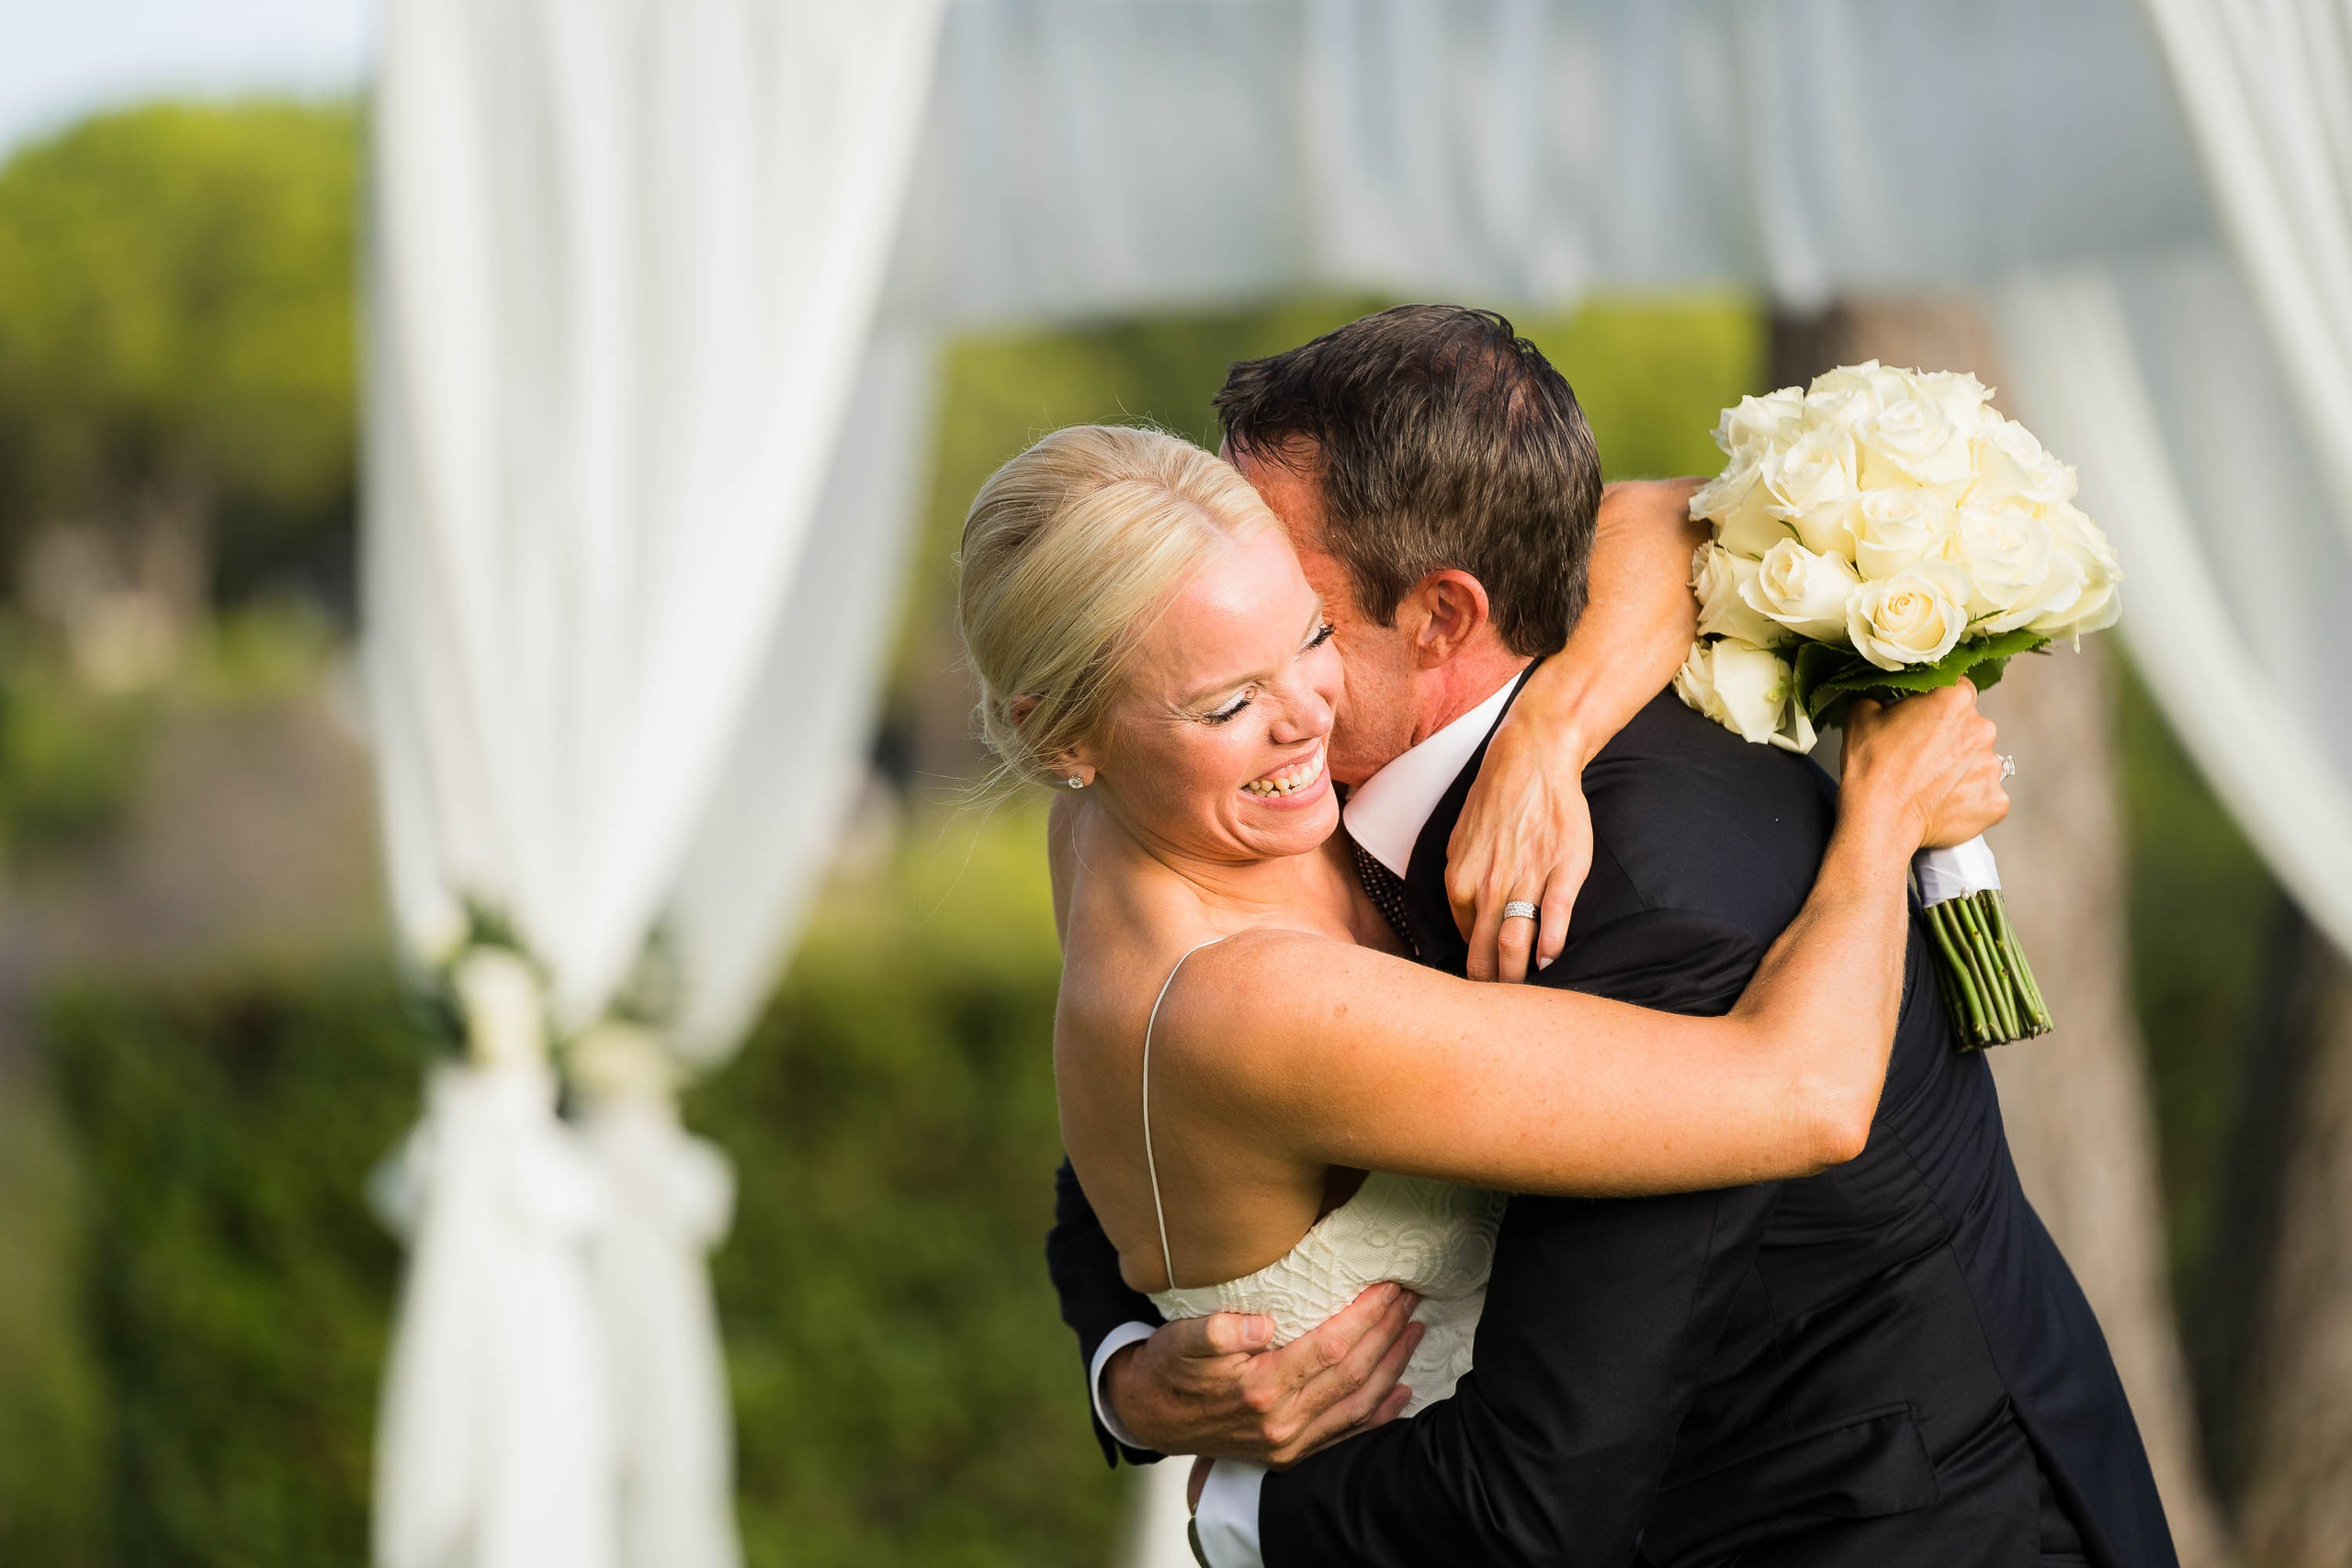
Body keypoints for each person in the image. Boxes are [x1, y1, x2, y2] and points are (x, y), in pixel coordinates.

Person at [1034, 308, 2176, 1567]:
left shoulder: (1646, 906)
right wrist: (1131, 1373)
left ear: (1439, 616)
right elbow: (1157, 1088)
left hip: (1886, 1525)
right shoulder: (1266, 787)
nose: (1225, 611)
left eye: (1292, 612)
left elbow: (1538, 1491)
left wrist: (1234, 1511)